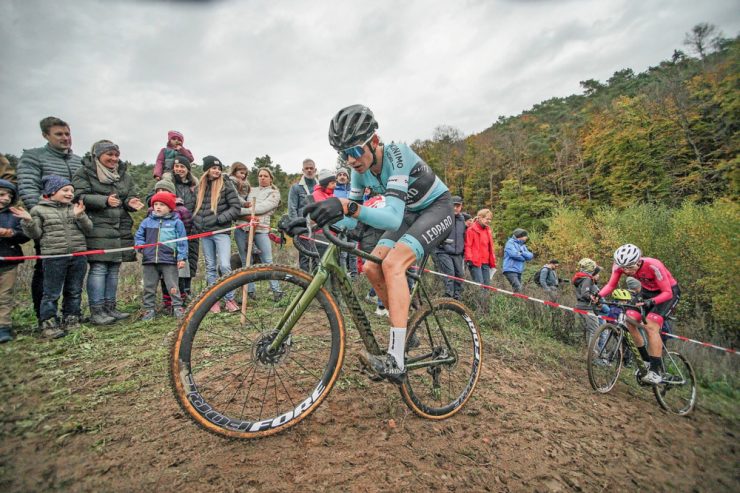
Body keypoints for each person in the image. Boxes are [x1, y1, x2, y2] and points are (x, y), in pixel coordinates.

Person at [293, 104, 453, 383]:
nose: (351, 160)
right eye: (344, 154)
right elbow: (352, 221)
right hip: (407, 214)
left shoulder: (397, 154)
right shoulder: (358, 171)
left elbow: (389, 218)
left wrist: (345, 206)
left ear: (374, 142)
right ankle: (405, 328)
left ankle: (396, 360)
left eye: (355, 151)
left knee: (392, 263)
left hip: (435, 209)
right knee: (370, 267)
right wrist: (310, 220)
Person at [17, 116, 83, 321]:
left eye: (67, 133)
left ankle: (71, 314)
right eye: (59, 134)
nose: (65, 138)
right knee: (46, 271)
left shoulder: (77, 160)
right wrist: (43, 214)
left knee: (75, 271)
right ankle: (45, 317)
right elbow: (28, 188)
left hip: (74, 222)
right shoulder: (34, 157)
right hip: (47, 222)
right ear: (46, 135)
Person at [73, 140, 144, 325]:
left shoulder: (123, 175)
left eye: (116, 155)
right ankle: (97, 311)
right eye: (109, 155)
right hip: (97, 226)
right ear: (97, 155)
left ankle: (110, 307)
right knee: (98, 268)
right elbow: (78, 195)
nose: (113, 158)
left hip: (120, 226)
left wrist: (131, 203)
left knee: (114, 269)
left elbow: (129, 194)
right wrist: (104, 200)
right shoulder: (85, 172)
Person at [14, 176, 93, 338]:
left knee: (74, 290)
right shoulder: (39, 210)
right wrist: (28, 221)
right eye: (65, 190)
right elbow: (36, 234)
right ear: (51, 192)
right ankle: (49, 323)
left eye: (72, 190)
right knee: (51, 292)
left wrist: (80, 216)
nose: (70, 193)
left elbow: (88, 229)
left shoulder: (75, 208)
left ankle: (71, 318)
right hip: (54, 257)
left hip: (78, 255)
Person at [599, 244, 681, 385]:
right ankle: (646, 361)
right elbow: (611, 285)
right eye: (623, 268)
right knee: (629, 319)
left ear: (638, 261)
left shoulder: (654, 265)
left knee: (650, 325)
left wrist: (652, 302)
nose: (626, 271)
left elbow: (667, 293)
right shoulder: (620, 266)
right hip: (646, 292)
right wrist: (598, 295)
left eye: (630, 268)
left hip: (667, 293)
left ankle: (655, 371)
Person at [192, 155, 242, 313]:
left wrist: (220, 219)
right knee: (210, 267)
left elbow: (236, 208)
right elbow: (197, 209)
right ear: (207, 170)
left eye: (219, 168)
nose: (216, 171)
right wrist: (198, 223)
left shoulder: (226, 186)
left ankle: (230, 299)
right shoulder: (199, 188)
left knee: (225, 265)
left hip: (221, 232)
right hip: (205, 233)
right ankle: (213, 300)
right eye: (213, 168)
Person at [135, 192, 188, 321]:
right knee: (149, 286)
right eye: (156, 204)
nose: (158, 207)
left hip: (169, 260)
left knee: (172, 285)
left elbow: (182, 241)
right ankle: (149, 309)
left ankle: (177, 307)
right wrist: (140, 245)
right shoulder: (147, 222)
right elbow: (139, 236)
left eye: (162, 205)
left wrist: (181, 257)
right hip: (149, 260)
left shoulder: (177, 223)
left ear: (170, 207)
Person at [145, 179, 193, 308]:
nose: (160, 193)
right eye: (158, 191)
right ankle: (167, 303)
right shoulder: (151, 213)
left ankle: (179, 302)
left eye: (164, 190)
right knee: (162, 279)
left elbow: (187, 227)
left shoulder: (181, 211)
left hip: (175, 250)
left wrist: (180, 249)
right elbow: (144, 232)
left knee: (178, 277)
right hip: (157, 253)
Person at [244, 168, 283, 300]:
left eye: (265, 176)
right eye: (260, 176)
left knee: (267, 260)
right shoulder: (251, 190)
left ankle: (277, 290)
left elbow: (263, 209)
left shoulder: (274, 193)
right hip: (244, 228)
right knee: (246, 260)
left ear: (271, 178)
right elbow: (241, 201)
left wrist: (242, 210)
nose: (262, 178)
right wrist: (247, 211)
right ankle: (249, 291)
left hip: (261, 229)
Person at [0, 180, 30, 342]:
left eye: (9, 195)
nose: (5, 198)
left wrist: (11, 233)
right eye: (2, 194)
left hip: (9, 261)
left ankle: (3, 326)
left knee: (5, 295)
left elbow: (25, 236)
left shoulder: (13, 214)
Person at [170, 155, 199, 299]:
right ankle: (176, 293)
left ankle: (187, 291)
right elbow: (152, 198)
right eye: (177, 166)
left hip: (192, 227)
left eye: (182, 167)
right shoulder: (168, 182)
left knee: (191, 259)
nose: (179, 169)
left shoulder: (194, 185)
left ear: (188, 169)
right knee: (176, 261)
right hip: (173, 229)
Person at [288, 159, 318, 272]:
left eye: (311, 168)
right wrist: (296, 227)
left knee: (317, 255)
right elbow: (292, 208)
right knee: (304, 256)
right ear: (302, 170)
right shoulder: (296, 188)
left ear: (315, 170)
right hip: (303, 226)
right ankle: (304, 283)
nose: (309, 170)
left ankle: (316, 283)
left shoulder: (320, 187)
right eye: (307, 168)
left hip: (317, 226)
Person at [435, 196, 466, 299]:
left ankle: (457, 298)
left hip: (457, 253)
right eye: (453, 205)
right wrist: (442, 243)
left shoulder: (462, 219)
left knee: (460, 275)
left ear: (461, 206)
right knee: (450, 274)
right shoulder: (443, 218)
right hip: (443, 251)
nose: (455, 208)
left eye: (458, 206)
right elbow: (436, 233)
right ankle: (448, 297)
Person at [333, 165, 358, 279]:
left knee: (353, 252)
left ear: (347, 178)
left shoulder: (353, 189)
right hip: (340, 225)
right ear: (336, 178)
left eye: (344, 175)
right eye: (340, 175)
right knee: (342, 253)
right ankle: (342, 275)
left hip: (353, 225)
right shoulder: (334, 191)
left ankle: (354, 276)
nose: (342, 177)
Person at [572, 258, 603, 345]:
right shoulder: (587, 279)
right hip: (587, 307)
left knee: (589, 330)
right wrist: (593, 298)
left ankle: (587, 351)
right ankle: (594, 354)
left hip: (581, 306)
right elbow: (585, 293)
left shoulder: (582, 278)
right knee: (595, 330)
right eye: (597, 273)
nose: (599, 275)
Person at [464, 208, 496, 288]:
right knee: (479, 286)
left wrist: (492, 261)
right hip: (475, 262)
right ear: (480, 218)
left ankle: (484, 301)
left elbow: (490, 247)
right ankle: (479, 301)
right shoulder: (471, 229)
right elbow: (468, 245)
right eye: (487, 219)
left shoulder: (488, 230)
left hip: (486, 262)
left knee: (486, 285)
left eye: (490, 219)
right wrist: (469, 259)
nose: (489, 221)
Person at [229, 162, 253, 267]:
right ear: (234, 171)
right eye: (241, 173)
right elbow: (235, 196)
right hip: (237, 206)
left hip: (244, 208)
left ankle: (252, 245)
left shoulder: (245, 184)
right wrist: (245, 204)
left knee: (252, 222)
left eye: (245, 174)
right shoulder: (231, 181)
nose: (243, 176)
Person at [502, 228, 533, 292]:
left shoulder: (522, 245)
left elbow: (530, 256)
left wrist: (522, 253)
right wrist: (524, 258)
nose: (527, 237)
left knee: (517, 290)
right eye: (525, 236)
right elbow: (514, 254)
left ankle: (516, 301)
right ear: (520, 236)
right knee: (518, 288)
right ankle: (516, 301)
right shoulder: (510, 243)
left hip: (518, 270)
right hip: (510, 269)